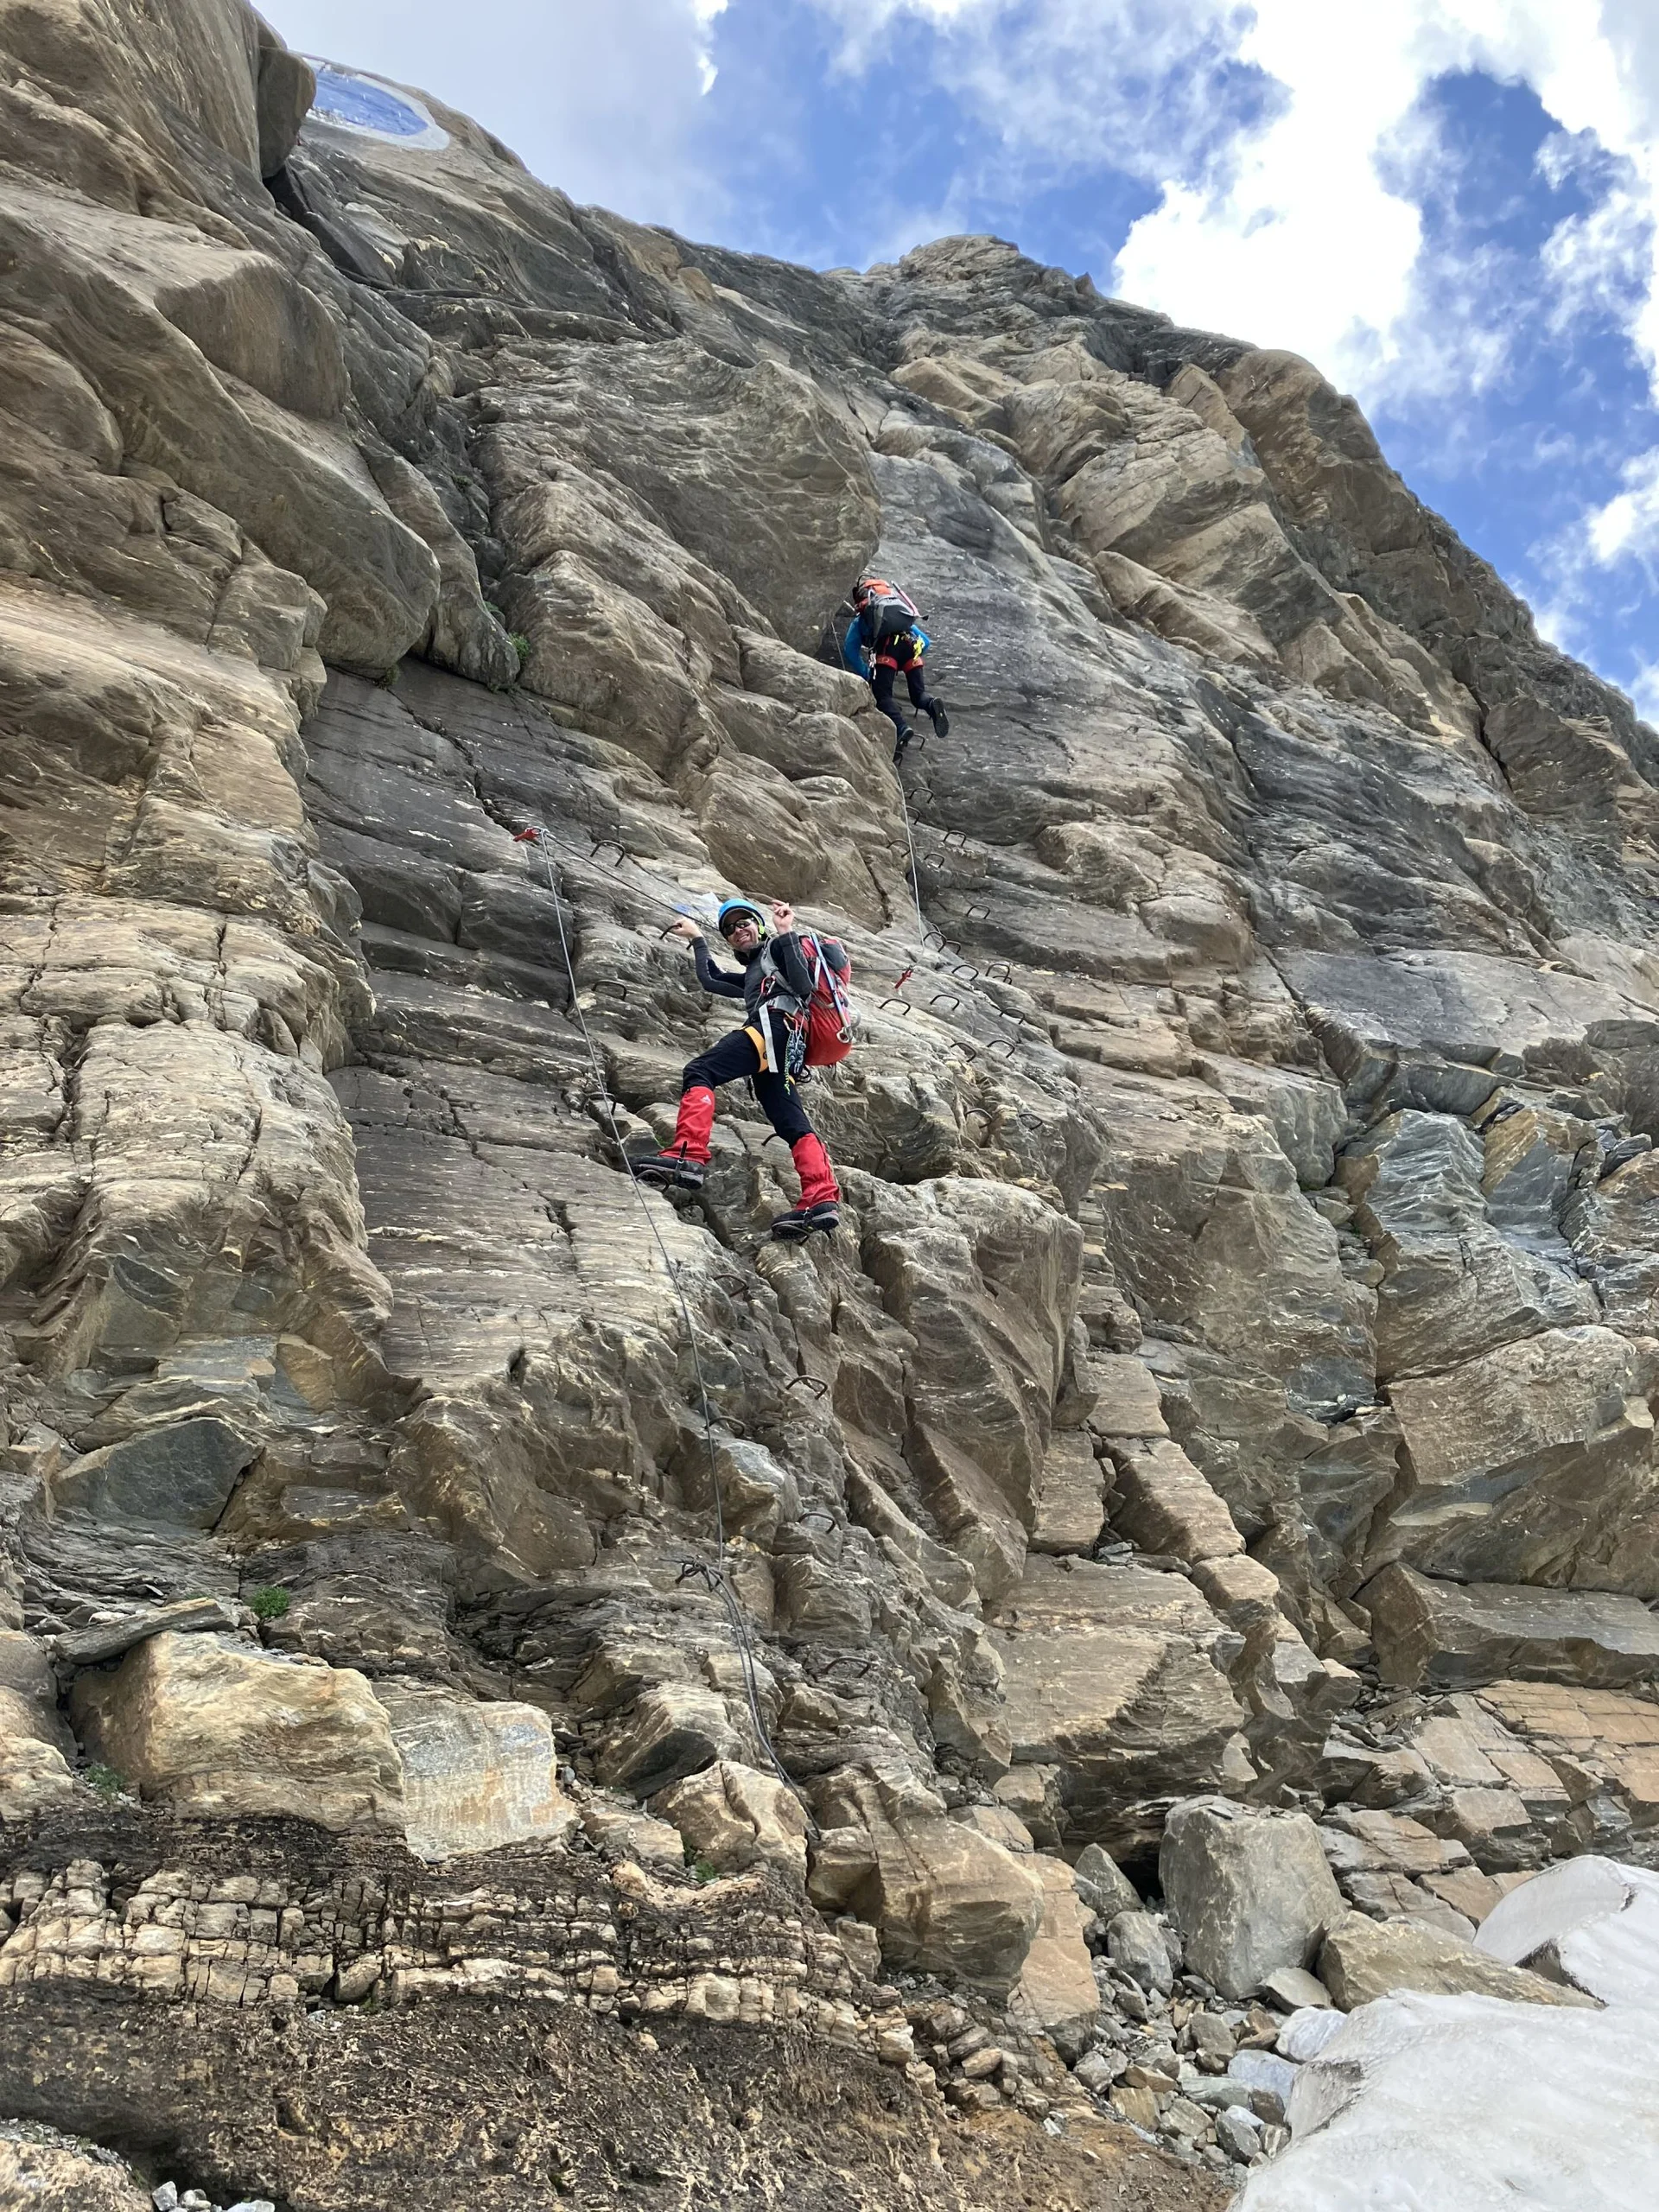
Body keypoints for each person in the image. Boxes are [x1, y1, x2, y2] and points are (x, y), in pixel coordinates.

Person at [631, 898, 846, 1240]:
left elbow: (804, 986)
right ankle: (821, 1198)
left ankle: (687, 1154)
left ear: (759, 925)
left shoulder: (775, 949)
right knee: (792, 1123)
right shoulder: (756, 974)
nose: (737, 930)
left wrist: (786, 931)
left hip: (774, 1028)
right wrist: (698, 938)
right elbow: (711, 979)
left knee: (700, 1071)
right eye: (729, 929)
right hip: (786, 1047)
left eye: (743, 922)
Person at [843, 574, 950, 762]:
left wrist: (868, 673)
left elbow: (850, 649)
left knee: (882, 695)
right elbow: (926, 642)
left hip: (887, 650)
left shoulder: (862, 620)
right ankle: (932, 704)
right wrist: (904, 662)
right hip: (911, 645)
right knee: (918, 695)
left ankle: (901, 729)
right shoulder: (900, 617)